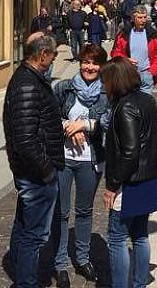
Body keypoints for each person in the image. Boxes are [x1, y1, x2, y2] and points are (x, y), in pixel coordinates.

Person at [101, 57, 157, 288]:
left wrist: (111, 186)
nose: (104, 86)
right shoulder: (147, 100)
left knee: (118, 238)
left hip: (131, 183)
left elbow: (129, 152)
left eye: (106, 81)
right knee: (140, 234)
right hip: (150, 178)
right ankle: (139, 283)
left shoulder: (125, 107)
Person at [2, 33, 64, 288]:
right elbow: (25, 139)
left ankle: (21, 275)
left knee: (25, 226)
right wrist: (47, 171)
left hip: (32, 170)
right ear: (42, 55)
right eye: (53, 55)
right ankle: (25, 282)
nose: (53, 60)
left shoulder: (29, 79)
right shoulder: (28, 84)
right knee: (34, 236)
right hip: (35, 174)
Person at [51, 44, 110, 286]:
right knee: (62, 213)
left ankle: (83, 258)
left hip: (91, 159)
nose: (90, 67)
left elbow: (110, 119)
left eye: (95, 63)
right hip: (63, 159)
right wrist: (68, 126)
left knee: (85, 211)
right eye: (86, 62)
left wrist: (85, 126)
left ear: (102, 66)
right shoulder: (64, 88)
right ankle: (61, 263)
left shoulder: (107, 92)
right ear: (80, 63)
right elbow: (48, 116)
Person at [112, 5, 157, 93]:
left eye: (145, 17)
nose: (143, 20)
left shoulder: (153, 34)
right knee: (129, 104)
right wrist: (125, 60)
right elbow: (115, 53)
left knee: (145, 104)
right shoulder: (124, 34)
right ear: (133, 18)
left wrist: (152, 71)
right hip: (128, 73)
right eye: (140, 18)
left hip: (146, 74)